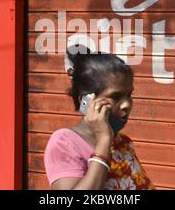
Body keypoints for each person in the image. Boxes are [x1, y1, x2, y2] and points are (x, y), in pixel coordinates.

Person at [44, 45, 155, 190]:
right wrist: (103, 140)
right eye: (115, 96)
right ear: (86, 100)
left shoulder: (123, 143)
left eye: (129, 95)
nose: (126, 105)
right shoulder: (64, 143)